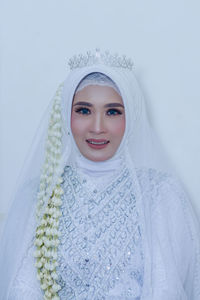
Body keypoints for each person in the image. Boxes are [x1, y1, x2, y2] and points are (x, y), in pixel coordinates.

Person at [0, 49, 200, 300]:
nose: (97, 127)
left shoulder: (159, 195)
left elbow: (166, 289)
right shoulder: (38, 197)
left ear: (132, 116)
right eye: (84, 110)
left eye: (113, 112)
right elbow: (21, 290)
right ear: (66, 114)